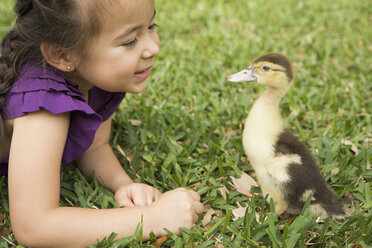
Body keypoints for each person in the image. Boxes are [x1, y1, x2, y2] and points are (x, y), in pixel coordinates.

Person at [0, 0, 204, 247]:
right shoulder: (43, 106)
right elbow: (33, 226)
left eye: (151, 25)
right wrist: (150, 219)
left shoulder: (93, 76)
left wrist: (123, 184)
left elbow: (93, 145)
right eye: (129, 41)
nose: (153, 48)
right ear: (61, 54)